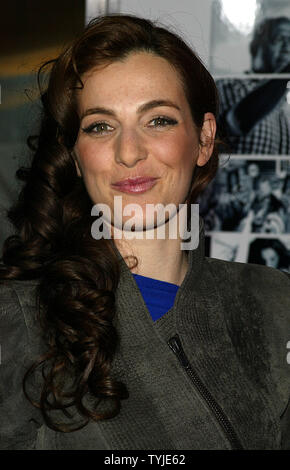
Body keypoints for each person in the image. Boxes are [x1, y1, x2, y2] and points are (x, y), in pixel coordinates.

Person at [1, 14, 290, 451]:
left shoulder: (273, 301)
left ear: (204, 138)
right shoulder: (21, 319)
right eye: (100, 125)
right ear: (77, 158)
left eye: (158, 120)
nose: (129, 152)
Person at [217, 16, 290, 155]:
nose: (288, 47)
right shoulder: (228, 86)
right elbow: (237, 122)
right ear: (259, 45)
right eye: (280, 39)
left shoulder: (285, 105)